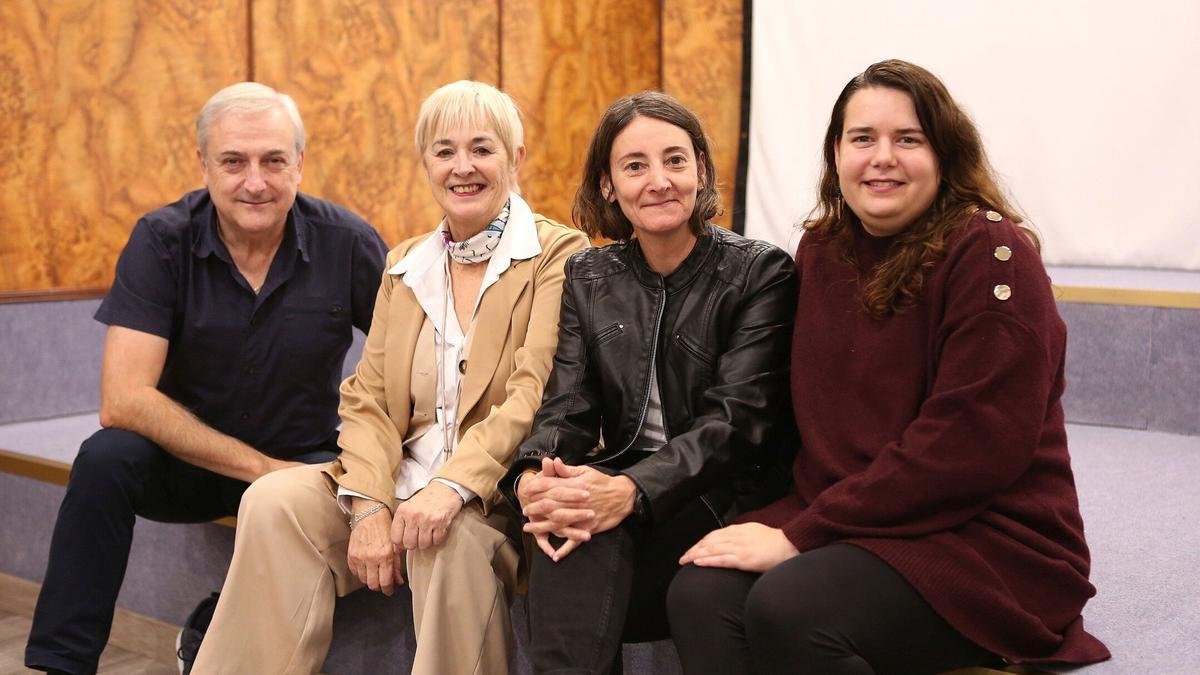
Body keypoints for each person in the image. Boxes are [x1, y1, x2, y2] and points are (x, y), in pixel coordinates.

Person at [667, 59, 1111, 674]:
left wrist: (801, 535)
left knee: (791, 606)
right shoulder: (824, 249)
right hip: (855, 507)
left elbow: (969, 449)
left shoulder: (992, 255)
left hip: (987, 533)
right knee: (701, 592)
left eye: (908, 139)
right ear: (836, 154)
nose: (883, 158)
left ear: (944, 154)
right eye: (862, 139)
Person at [190, 79, 588, 675]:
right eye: (444, 151)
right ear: (425, 163)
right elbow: (368, 398)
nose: (462, 167)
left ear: (516, 159)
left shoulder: (561, 255)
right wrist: (369, 502)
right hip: (400, 479)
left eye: (482, 149)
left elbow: (535, 394)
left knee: (448, 539)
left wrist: (449, 487)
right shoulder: (405, 263)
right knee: (273, 502)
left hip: (494, 492)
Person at [24, 82, 388, 675]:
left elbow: (411, 361)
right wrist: (261, 469)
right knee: (105, 458)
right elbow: (123, 399)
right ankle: (62, 663)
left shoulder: (348, 242)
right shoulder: (161, 239)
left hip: (303, 461)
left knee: (333, 501)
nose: (255, 182)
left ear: (300, 163)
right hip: (187, 462)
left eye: (274, 160)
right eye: (234, 162)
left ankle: (216, 625)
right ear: (203, 165)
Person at [498, 91, 796, 674]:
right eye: (635, 166)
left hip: (724, 494)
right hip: (629, 478)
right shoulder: (589, 274)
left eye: (675, 160)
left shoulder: (759, 271)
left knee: (586, 524)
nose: (658, 181)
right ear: (608, 185)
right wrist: (534, 476)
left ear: (700, 171)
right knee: (568, 520)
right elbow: (567, 406)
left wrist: (629, 491)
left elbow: (734, 425)